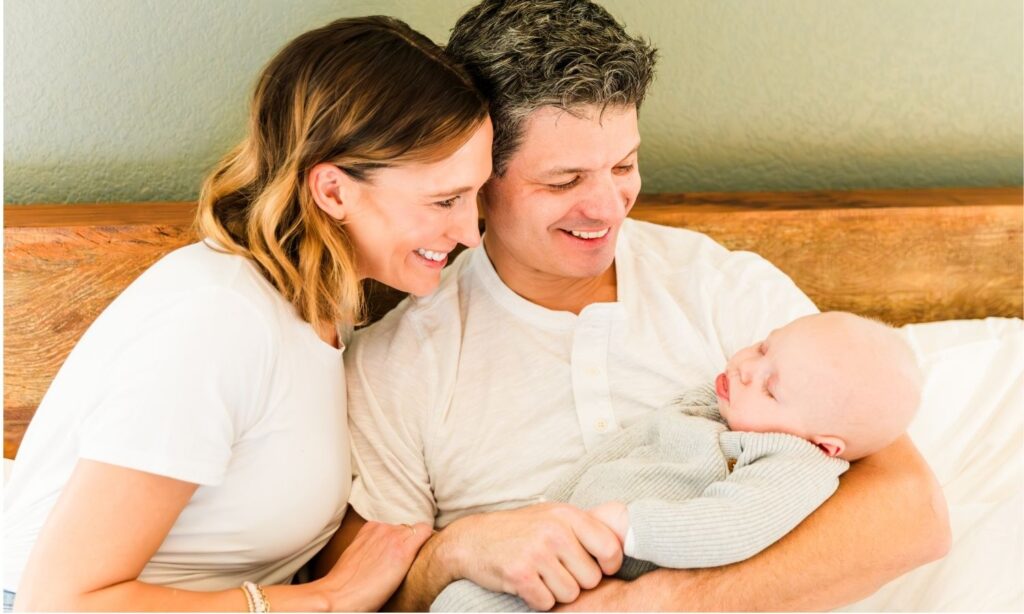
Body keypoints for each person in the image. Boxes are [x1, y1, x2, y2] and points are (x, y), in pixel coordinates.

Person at [322, 0, 951, 611]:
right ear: (479, 179)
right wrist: (456, 550)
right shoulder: (396, 367)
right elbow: (374, 597)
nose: (607, 208)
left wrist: (656, 602)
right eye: (564, 181)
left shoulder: (722, 289)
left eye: (624, 166)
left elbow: (910, 513)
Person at [3, 16, 492, 612]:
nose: (470, 231)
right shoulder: (217, 322)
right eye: (445, 200)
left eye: (476, 194)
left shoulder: (319, 301)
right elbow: (58, 602)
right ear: (333, 191)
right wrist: (327, 598)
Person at [431, 311, 924, 611]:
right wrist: (549, 507)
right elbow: (624, 449)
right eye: (763, 347)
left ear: (825, 443)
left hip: (607, 569)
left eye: (771, 388)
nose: (746, 368)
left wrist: (631, 526)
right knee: (457, 602)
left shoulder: (794, 463)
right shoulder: (716, 405)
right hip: (561, 547)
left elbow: (733, 524)